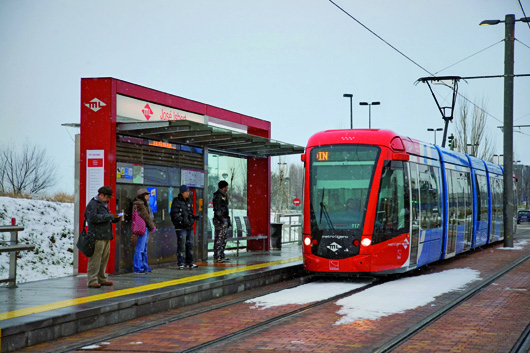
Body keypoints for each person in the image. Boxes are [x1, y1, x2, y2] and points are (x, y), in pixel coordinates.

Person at [84, 186, 122, 288]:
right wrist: (110, 216)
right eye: (107, 197)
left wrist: (115, 219)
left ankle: (102, 279)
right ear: (101, 195)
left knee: (104, 259)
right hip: (97, 236)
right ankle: (92, 280)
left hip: (105, 235)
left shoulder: (103, 204)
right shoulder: (93, 204)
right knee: (95, 259)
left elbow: (103, 218)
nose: (109, 199)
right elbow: (92, 218)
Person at [170, 185, 199, 269]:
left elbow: (189, 213)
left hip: (189, 227)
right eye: (186, 192)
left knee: (190, 245)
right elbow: (174, 214)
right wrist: (182, 221)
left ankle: (190, 262)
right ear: (182, 192)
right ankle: (181, 262)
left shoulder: (188, 201)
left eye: (188, 192)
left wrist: (193, 218)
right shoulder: (177, 201)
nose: (188, 193)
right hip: (180, 227)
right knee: (182, 245)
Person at [132, 188, 156, 273]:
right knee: (141, 248)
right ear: (142, 196)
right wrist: (152, 226)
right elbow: (146, 216)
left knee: (143, 248)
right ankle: (138, 267)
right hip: (143, 228)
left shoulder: (144, 203)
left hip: (144, 227)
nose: (148, 196)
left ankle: (144, 266)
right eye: (147, 195)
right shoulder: (140, 204)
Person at [212, 180, 230, 263]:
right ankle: (217, 256)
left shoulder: (223, 195)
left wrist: (227, 219)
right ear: (224, 187)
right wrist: (221, 219)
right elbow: (217, 209)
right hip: (220, 220)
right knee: (219, 238)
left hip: (224, 219)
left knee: (223, 238)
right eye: (226, 186)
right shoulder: (218, 196)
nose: (227, 188)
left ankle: (221, 254)